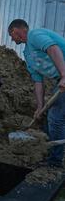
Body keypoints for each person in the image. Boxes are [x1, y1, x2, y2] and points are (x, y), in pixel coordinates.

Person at [8, 19, 65, 167]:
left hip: (64, 76)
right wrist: (40, 106)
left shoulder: (35, 34)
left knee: (55, 118)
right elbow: (38, 81)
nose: (12, 40)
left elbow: (53, 49)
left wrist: (64, 75)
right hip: (59, 78)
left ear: (16, 31)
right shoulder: (27, 53)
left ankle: (54, 162)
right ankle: (48, 150)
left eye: (11, 35)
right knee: (49, 115)